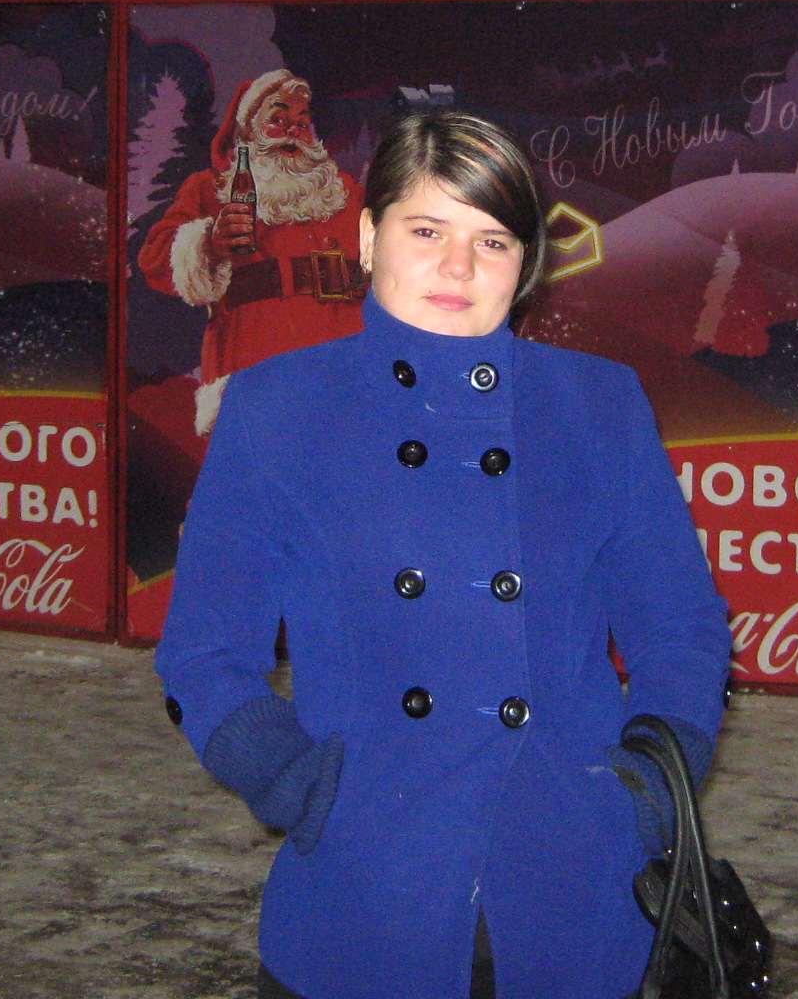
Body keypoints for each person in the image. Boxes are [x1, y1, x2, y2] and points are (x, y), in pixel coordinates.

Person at [155, 111, 732, 999]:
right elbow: (204, 652)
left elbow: (681, 628)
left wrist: (649, 793)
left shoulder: (599, 404)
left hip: (574, 881)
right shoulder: (277, 407)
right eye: (426, 231)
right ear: (367, 236)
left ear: (525, 263)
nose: (458, 267)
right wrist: (296, 786)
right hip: (363, 887)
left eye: (492, 241)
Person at [137, 68, 366, 436]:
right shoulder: (210, 188)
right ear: (247, 131)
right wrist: (207, 243)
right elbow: (154, 259)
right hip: (254, 364)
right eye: (278, 120)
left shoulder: (345, 193)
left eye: (302, 123)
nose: (293, 131)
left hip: (341, 368)